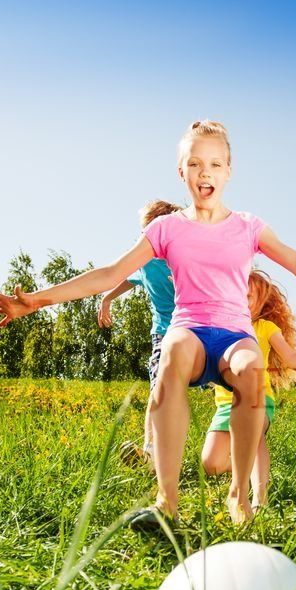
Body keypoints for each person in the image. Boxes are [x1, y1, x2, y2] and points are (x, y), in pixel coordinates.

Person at [0, 120, 296, 530]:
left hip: (233, 334)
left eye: (214, 164)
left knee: (251, 369)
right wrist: (37, 300)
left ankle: (239, 495)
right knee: (172, 353)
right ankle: (166, 502)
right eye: (194, 164)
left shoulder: (248, 227)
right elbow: (110, 272)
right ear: (181, 172)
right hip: (189, 329)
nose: (204, 172)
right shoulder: (166, 228)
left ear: (229, 170)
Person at [201, 270, 296, 510]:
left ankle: (260, 499)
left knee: (253, 433)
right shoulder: (220, 327)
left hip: (258, 398)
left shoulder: (266, 327)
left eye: (247, 297)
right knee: (211, 464)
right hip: (226, 405)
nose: (239, 301)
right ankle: (239, 464)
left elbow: (289, 355)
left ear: (261, 303)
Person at [97, 199, 181, 466]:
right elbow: (127, 279)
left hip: (194, 330)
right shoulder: (144, 260)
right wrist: (107, 299)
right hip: (163, 334)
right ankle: (149, 453)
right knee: (158, 390)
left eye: (150, 228)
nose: (145, 235)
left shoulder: (182, 256)